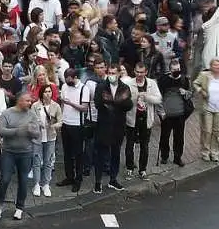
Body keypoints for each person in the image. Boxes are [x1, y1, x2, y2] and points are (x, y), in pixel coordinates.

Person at [0, 93, 40, 220]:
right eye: (27, 101)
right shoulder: (7, 113)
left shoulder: (32, 115)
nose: (30, 103)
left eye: (30, 101)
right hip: (9, 152)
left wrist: (31, 131)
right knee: (5, 179)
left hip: (26, 152)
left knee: (23, 181)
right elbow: (1, 130)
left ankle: (20, 207)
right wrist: (17, 131)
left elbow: (37, 134)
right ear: (20, 101)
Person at [92, 63, 132, 193]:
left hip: (118, 126)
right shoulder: (101, 86)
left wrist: (112, 103)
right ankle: (98, 182)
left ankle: (113, 179)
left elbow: (128, 105)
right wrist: (115, 103)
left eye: (114, 73)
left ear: (119, 74)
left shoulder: (124, 88)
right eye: (109, 73)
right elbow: (98, 103)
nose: (111, 76)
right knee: (101, 155)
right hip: (104, 126)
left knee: (115, 154)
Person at [124, 62, 162, 180]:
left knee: (145, 146)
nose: (139, 74)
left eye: (142, 72)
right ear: (134, 72)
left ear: (146, 72)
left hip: (146, 119)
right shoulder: (128, 84)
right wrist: (135, 97)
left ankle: (142, 170)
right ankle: (130, 168)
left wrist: (147, 97)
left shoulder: (152, 83)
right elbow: (124, 101)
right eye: (137, 72)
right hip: (132, 118)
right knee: (130, 145)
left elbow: (158, 99)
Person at [56, 68, 89, 192]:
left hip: (77, 125)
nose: (67, 82)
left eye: (69, 80)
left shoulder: (83, 89)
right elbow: (63, 103)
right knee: (67, 153)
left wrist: (70, 104)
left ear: (75, 77)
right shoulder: (64, 86)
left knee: (78, 153)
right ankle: (69, 177)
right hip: (65, 123)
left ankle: (78, 179)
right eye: (66, 80)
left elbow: (84, 108)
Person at [194, 58, 219, 162]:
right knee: (207, 131)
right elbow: (195, 84)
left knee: (217, 132)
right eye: (214, 65)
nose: (217, 67)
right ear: (211, 66)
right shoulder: (204, 75)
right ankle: (205, 151)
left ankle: (214, 152)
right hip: (207, 108)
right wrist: (201, 91)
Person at [158, 59, 191, 167]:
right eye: (174, 70)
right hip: (167, 114)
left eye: (178, 69)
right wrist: (161, 111)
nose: (176, 71)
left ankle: (177, 157)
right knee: (164, 136)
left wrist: (185, 92)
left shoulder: (184, 80)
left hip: (180, 114)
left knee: (179, 137)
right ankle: (164, 156)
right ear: (170, 70)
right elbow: (159, 96)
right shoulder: (163, 80)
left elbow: (190, 94)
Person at [31, 83, 62, 197]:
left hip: (50, 137)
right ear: (41, 93)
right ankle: (36, 184)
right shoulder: (35, 105)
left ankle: (46, 184)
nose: (48, 94)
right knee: (37, 161)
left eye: (49, 91)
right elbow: (31, 120)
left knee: (48, 161)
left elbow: (60, 121)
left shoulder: (56, 106)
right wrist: (39, 124)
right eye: (45, 92)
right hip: (38, 137)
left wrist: (53, 126)